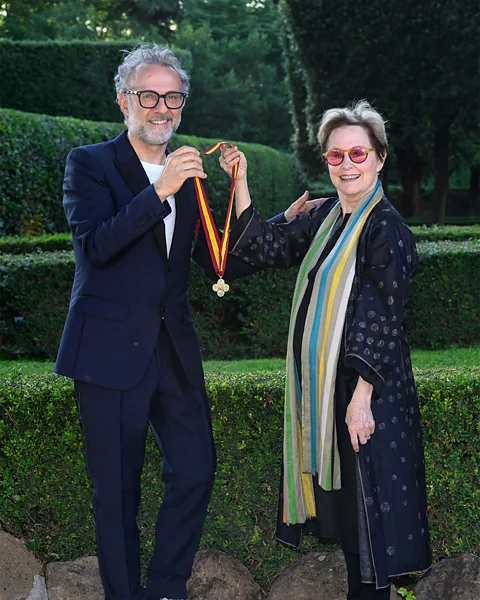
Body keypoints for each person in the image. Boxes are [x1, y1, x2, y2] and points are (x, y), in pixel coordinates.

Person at [55, 44, 257, 600]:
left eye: (173, 97)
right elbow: (96, 247)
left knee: (195, 471)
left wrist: (251, 202)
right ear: (125, 100)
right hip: (107, 352)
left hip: (173, 350)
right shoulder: (89, 163)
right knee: (116, 492)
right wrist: (158, 189)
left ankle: (164, 589)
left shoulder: (191, 172)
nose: (162, 107)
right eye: (149, 95)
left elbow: (217, 260)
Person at [220, 100, 432, 598]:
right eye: (336, 156)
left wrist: (361, 401)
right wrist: (241, 181)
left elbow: (382, 316)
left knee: (369, 528)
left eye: (358, 153)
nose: (347, 164)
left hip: (366, 394)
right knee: (351, 528)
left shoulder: (386, 229)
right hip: (326, 392)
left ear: (380, 158)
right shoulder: (329, 218)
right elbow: (266, 247)